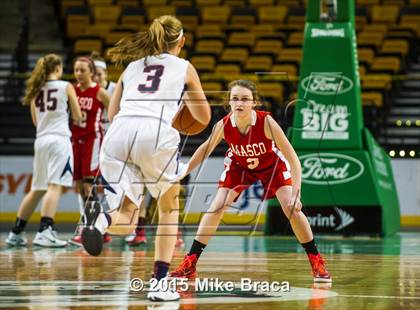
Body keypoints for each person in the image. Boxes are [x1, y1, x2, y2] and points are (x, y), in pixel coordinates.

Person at [81, 15, 211, 302]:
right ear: (182, 41)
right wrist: (181, 109)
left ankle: (101, 221)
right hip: (154, 133)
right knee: (168, 208)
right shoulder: (184, 67)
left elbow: (112, 114)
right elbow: (203, 118)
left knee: (126, 217)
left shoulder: (131, 67)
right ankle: (159, 283)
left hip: (118, 134)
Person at [170, 80, 332, 283]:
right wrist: (184, 171)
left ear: (254, 102)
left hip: (271, 166)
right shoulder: (224, 124)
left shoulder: (266, 122)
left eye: (245, 99)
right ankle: (190, 263)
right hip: (240, 167)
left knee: (292, 209)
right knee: (216, 208)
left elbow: (293, 160)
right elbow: (205, 148)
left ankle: (316, 261)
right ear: (229, 102)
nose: (239, 103)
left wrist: (296, 193)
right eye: (235, 98)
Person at [5, 54, 82, 247]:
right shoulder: (66, 86)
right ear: (57, 68)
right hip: (59, 139)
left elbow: (35, 121)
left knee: (37, 188)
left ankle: (15, 232)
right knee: (54, 186)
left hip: (41, 140)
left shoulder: (35, 90)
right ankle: (45, 231)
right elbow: (78, 116)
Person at [69, 56, 110, 246]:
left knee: (88, 185)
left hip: (92, 140)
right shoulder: (72, 90)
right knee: (79, 187)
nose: (78, 74)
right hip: (74, 141)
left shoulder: (100, 92)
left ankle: (92, 227)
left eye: (82, 70)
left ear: (91, 72)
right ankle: (97, 226)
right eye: (76, 70)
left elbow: (116, 111)